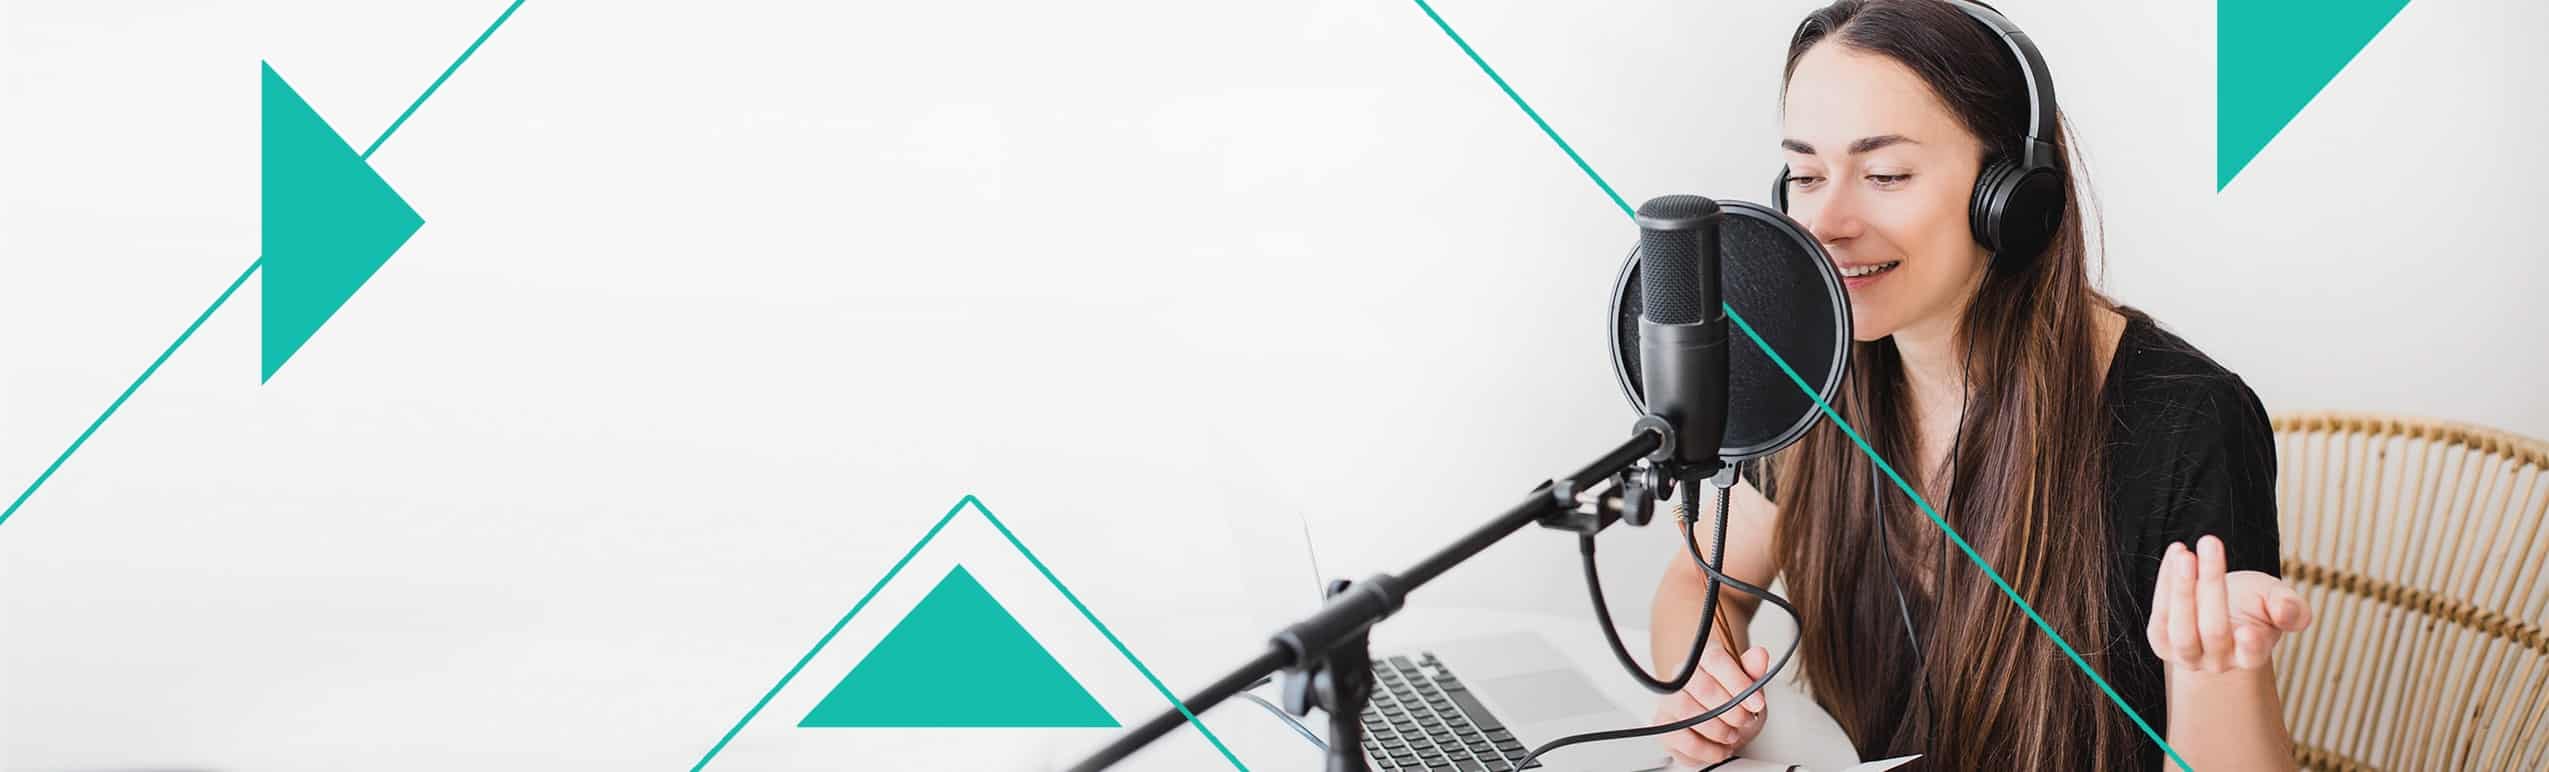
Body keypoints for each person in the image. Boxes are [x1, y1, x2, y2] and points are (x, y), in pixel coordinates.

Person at [1643, 2, 2313, 770]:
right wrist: (1704, 678)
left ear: (2011, 196)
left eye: (1885, 175)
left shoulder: (2186, 418)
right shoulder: (1807, 372)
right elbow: (1705, 581)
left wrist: (2217, 673)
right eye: (1805, 176)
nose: (1824, 224)